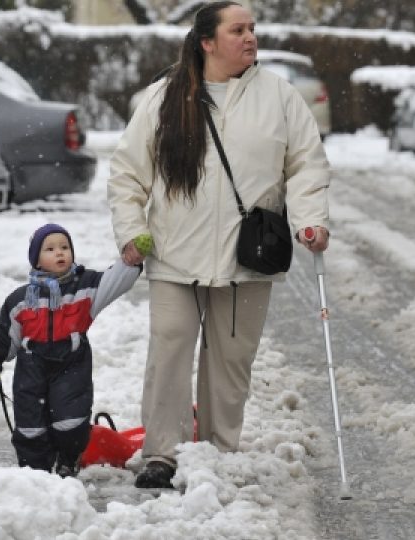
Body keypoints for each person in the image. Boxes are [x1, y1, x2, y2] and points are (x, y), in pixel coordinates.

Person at [108, 1, 331, 489]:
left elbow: (308, 165)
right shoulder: (164, 97)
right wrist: (130, 232)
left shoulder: (280, 97)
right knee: (169, 350)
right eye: (238, 30)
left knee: (231, 361)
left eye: (252, 28)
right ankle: (162, 454)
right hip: (172, 252)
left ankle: (217, 451)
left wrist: (312, 220)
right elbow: (127, 172)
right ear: (207, 42)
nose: (250, 37)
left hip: (248, 256)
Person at [0, 224, 143, 477]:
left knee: (71, 422)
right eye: (51, 249)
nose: (60, 253)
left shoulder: (85, 288)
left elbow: (114, 281)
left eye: (65, 247)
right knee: (30, 427)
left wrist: (131, 261)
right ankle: (35, 473)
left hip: (71, 364)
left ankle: (68, 458)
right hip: (31, 368)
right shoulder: (20, 299)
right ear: (36, 259)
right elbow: (6, 334)